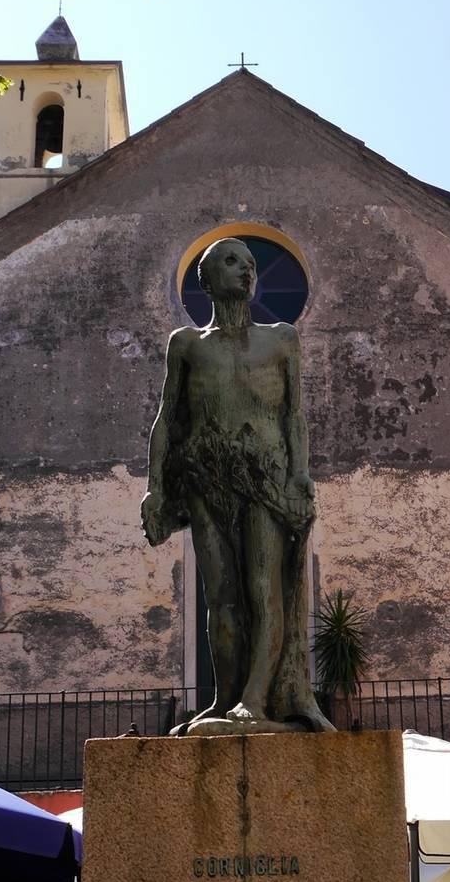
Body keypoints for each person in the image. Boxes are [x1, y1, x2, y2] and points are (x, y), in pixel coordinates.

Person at [142, 238, 332, 734]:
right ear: (205, 279)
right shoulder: (186, 344)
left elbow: (294, 415)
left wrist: (299, 474)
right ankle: (224, 697)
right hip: (207, 477)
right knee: (220, 596)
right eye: (232, 261)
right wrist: (155, 488)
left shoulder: (281, 339)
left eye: (251, 264)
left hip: (265, 477)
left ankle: (255, 700)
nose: (246, 270)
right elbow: (166, 418)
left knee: (263, 588)